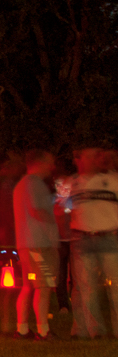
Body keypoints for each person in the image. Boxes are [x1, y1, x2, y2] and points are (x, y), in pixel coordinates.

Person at [65, 145, 118, 339]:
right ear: (80, 159)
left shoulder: (113, 180)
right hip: (82, 239)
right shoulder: (69, 183)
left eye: (100, 156)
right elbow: (61, 210)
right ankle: (95, 331)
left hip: (110, 237)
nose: (98, 159)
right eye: (93, 156)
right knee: (86, 288)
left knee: (116, 287)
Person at [12, 149, 58, 339]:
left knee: (29, 285)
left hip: (25, 244)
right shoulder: (35, 184)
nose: (52, 167)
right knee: (44, 286)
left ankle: (22, 328)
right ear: (39, 162)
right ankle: (43, 330)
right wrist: (54, 229)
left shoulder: (21, 185)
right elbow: (37, 210)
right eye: (49, 162)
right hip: (39, 243)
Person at [0, 154, 23, 332]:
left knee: (8, 284)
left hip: (2, 240)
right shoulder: (5, 185)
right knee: (12, 284)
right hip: (8, 240)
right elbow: (8, 212)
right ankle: (9, 323)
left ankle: (8, 322)